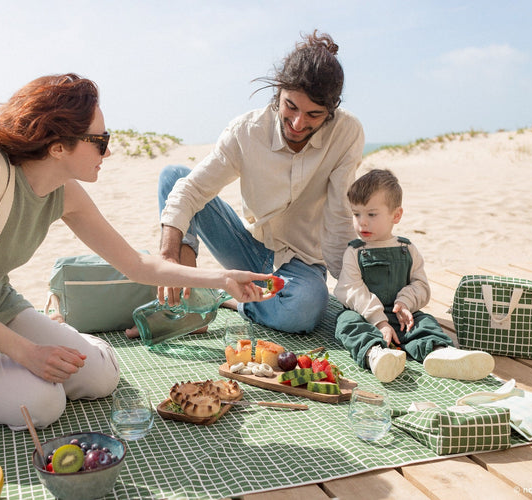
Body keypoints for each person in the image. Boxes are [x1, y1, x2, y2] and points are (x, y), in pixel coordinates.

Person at [0, 73, 275, 430]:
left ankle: (39, 347)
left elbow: (136, 264)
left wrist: (222, 278)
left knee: (102, 377)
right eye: (100, 142)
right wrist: (25, 353)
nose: (107, 153)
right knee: (42, 404)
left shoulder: (63, 190)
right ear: (59, 146)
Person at [147, 30, 365, 335]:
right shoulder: (245, 131)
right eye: (291, 106)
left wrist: (352, 292)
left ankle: (227, 298)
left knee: (305, 309)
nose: (298, 123)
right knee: (174, 178)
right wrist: (168, 257)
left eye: (314, 114)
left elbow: (340, 216)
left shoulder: (347, 132)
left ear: (331, 112)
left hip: (303, 264)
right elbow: (192, 190)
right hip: (248, 251)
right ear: (278, 91)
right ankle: (190, 301)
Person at [333, 168, 494, 383]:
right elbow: (351, 289)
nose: (362, 222)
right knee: (347, 323)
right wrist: (379, 322)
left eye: (371, 214)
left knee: (425, 322)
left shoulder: (407, 249)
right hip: (366, 314)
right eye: (356, 214)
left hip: (401, 315)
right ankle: (377, 355)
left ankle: (440, 353)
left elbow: (421, 285)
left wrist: (405, 303)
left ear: (396, 215)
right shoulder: (354, 252)